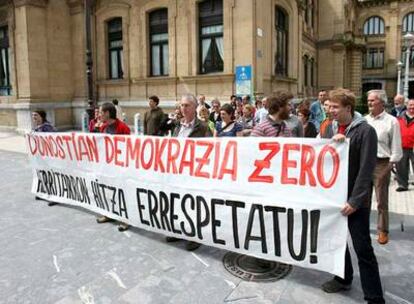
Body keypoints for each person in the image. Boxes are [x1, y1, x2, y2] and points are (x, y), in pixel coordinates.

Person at [321, 88, 385, 304]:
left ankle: (374, 297)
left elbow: (367, 170)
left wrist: (355, 201)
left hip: (356, 201)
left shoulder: (365, 132)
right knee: (336, 242)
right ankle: (343, 278)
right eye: (328, 106)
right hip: (334, 198)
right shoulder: (329, 128)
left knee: (363, 248)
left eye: (335, 107)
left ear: (348, 108)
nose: (330, 110)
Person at [167, 94, 211, 251]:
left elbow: (210, 151)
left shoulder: (203, 128)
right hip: (177, 171)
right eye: (181, 105)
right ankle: (178, 231)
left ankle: (195, 235)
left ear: (194, 108)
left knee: (193, 205)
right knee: (177, 202)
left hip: (194, 173)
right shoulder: (177, 126)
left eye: (187, 105)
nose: (183, 109)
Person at [366, 90, 402, 245]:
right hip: (365, 163)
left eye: (372, 100)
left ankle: (382, 231)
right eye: (368, 100)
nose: (369, 103)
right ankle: (362, 227)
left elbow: (396, 147)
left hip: (382, 163)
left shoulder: (391, 121)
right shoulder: (364, 120)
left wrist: (390, 164)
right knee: (363, 199)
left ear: (381, 102)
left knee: (381, 200)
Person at [96, 102, 131, 232]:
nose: (99, 115)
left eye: (101, 112)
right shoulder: (103, 127)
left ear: (107, 113)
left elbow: (128, 148)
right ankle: (108, 214)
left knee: (122, 192)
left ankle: (125, 219)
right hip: (106, 166)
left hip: (120, 167)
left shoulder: (123, 128)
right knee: (107, 190)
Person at [32, 109, 58, 206]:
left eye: (36, 115)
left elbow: (52, 140)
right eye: (33, 115)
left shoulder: (47, 127)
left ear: (41, 117)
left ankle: (55, 196)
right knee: (43, 174)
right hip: (41, 156)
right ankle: (44, 193)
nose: (34, 117)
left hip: (49, 157)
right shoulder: (37, 127)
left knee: (51, 175)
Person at [395, 99, 414, 191]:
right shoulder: (399, 118)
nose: (412, 107)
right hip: (402, 145)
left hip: (413, 146)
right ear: (406, 105)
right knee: (401, 167)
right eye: (410, 105)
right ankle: (402, 185)